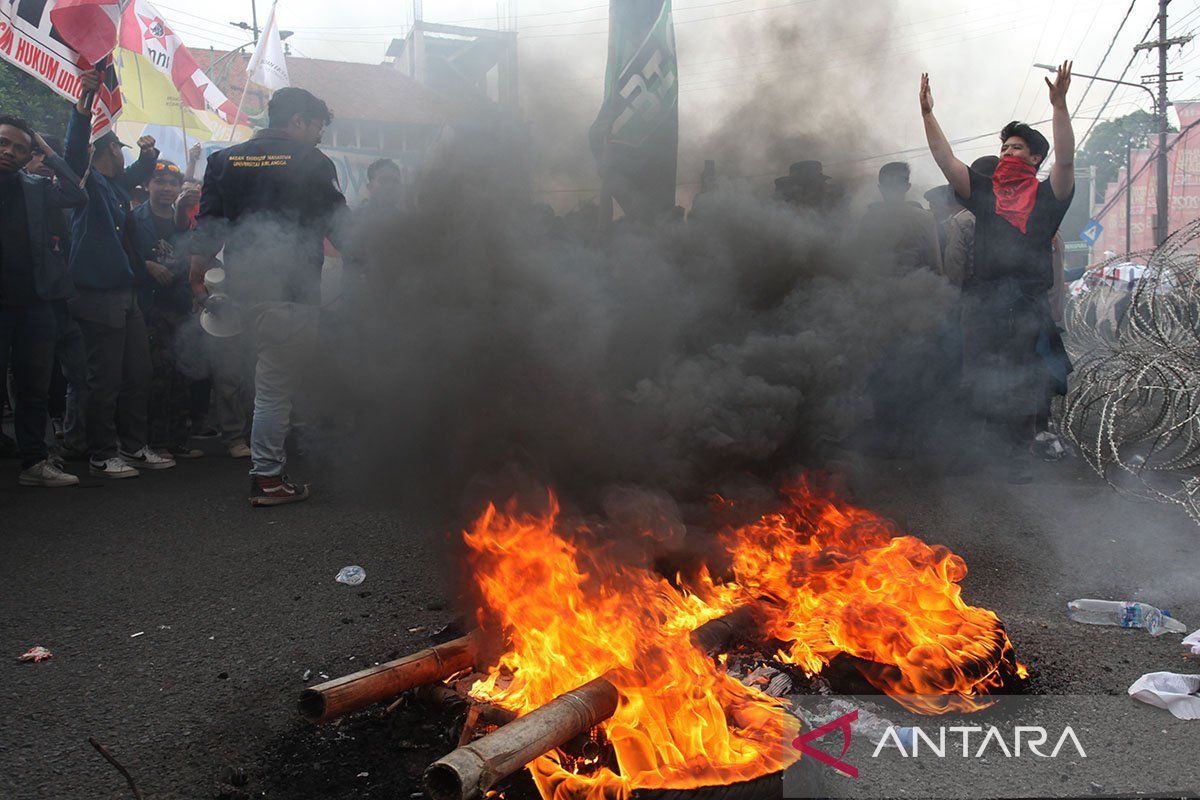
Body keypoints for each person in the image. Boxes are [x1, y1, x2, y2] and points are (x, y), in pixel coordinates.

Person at [191, 87, 348, 506]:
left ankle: (270, 468)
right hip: (291, 293)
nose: (318, 135)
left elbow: (208, 227)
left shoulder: (223, 160)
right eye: (315, 125)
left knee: (268, 384)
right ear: (297, 120)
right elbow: (341, 226)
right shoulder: (312, 161)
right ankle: (267, 479)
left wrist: (197, 282)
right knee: (274, 389)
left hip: (242, 293)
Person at [921, 62, 1076, 483]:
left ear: (1035, 157)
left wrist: (1059, 107)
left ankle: (1017, 456)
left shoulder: (1050, 197)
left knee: (1025, 383)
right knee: (983, 379)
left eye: (1018, 149)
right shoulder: (986, 195)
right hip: (986, 304)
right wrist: (928, 115)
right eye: (1005, 148)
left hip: (1027, 308)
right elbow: (946, 160)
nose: (1008, 154)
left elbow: (1066, 159)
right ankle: (984, 453)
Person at [65, 68, 176, 478]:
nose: (124, 155)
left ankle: (133, 445)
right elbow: (74, 152)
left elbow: (136, 176)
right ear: (107, 150)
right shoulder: (86, 181)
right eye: (121, 149)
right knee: (105, 378)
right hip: (97, 295)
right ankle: (101, 451)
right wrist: (83, 106)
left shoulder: (113, 187)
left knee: (139, 373)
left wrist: (149, 157)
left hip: (124, 294)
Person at [0, 114, 87, 486]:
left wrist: (48, 150)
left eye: (20, 148)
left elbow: (76, 193)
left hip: (35, 303)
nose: (10, 151)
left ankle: (34, 463)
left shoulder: (34, 186)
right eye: (4, 142)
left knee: (34, 386)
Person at [129, 160, 202, 459]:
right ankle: (154, 441)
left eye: (172, 183)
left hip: (179, 305)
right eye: (159, 182)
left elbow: (191, 257)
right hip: (149, 307)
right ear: (147, 185)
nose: (167, 188)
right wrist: (146, 266)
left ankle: (176, 439)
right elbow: (124, 256)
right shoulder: (134, 219)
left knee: (180, 370)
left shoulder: (181, 221)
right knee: (155, 375)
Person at [855, 161, 942, 274]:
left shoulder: (868, 219)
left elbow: (860, 261)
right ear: (907, 187)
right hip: (917, 288)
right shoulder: (925, 218)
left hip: (876, 288)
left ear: (880, 188)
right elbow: (934, 265)